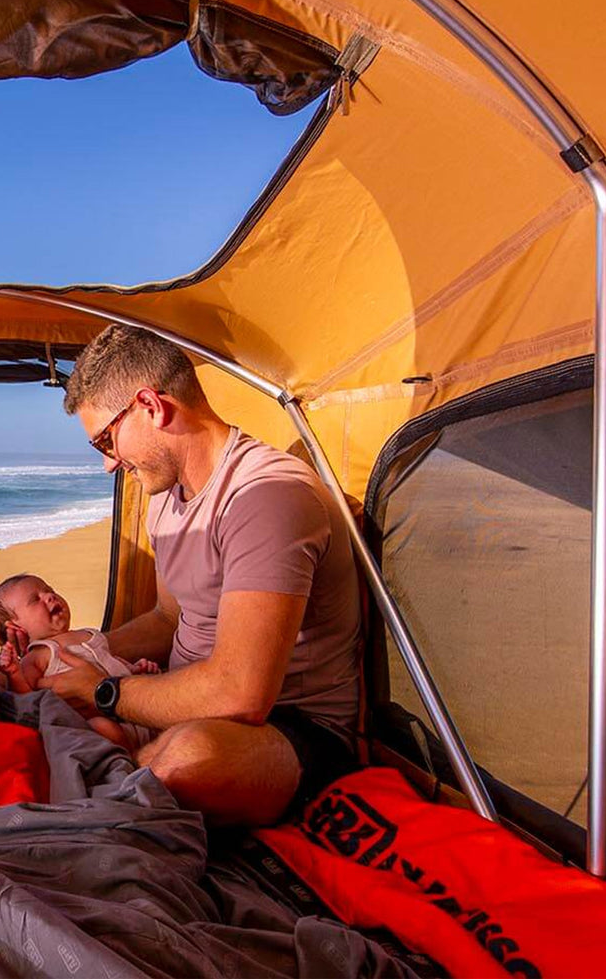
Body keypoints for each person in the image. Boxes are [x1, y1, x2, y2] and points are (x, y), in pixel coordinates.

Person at [20, 325, 362, 826]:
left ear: (151, 406)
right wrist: (76, 654)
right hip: (185, 698)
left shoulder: (265, 498)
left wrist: (105, 692)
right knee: (45, 711)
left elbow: (241, 694)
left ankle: (96, 802)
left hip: (288, 726)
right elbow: (167, 618)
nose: (109, 465)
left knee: (189, 757)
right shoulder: (165, 499)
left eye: (105, 441)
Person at [0, 572, 157, 749]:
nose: (49, 596)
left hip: (133, 709)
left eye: (49, 590)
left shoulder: (87, 633)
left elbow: (108, 659)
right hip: (107, 724)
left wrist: (133, 669)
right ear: (15, 627)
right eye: (35, 600)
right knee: (102, 727)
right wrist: (14, 674)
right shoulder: (38, 656)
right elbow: (29, 701)